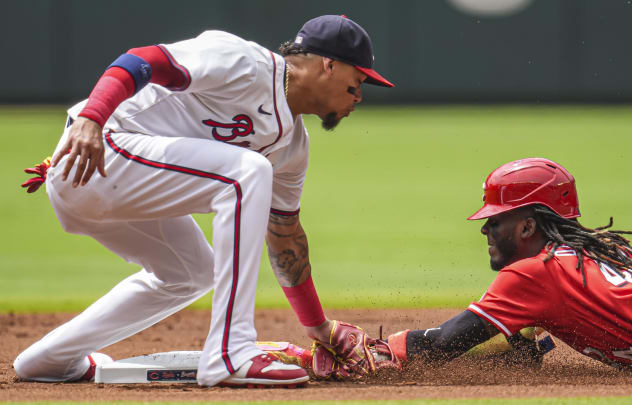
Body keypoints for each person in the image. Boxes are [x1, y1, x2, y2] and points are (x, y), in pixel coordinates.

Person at [14, 15, 393, 387]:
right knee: (247, 171)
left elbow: (285, 236)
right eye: (357, 80)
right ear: (328, 64)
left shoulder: (293, 147)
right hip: (97, 154)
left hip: (123, 184)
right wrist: (92, 119)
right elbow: (141, 59)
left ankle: (52, 359)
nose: (359, 95)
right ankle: (231, 353)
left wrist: (321, 329)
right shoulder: (246, 64)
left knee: (191, 272)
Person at [385, 158, 632, 373]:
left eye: (496, 220)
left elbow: (442, 343)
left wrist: (382, 350)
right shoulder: (601, 250)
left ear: (528, 227)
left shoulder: (532, 273)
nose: (485, 229)